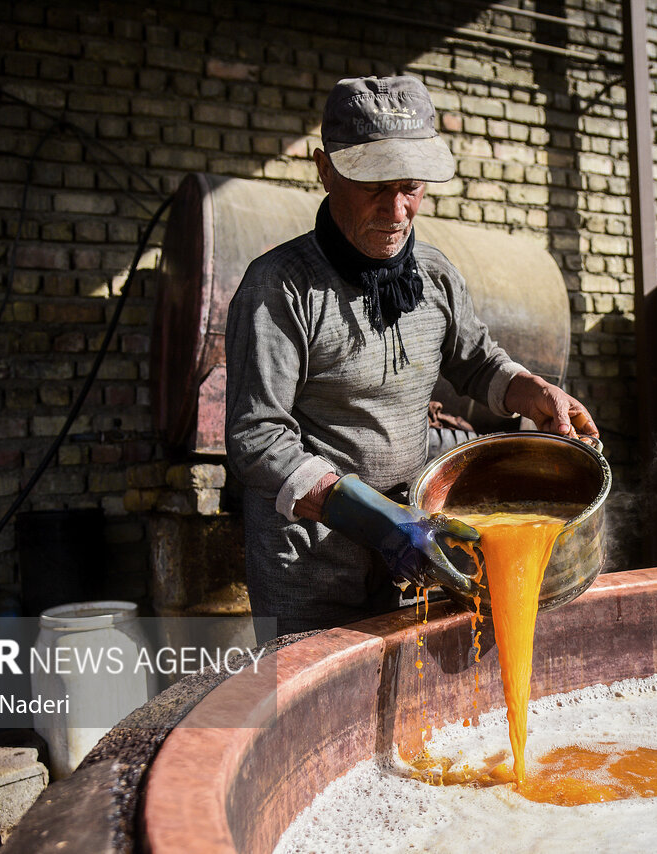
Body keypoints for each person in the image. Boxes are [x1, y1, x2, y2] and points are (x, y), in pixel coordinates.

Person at [225, 75, 599, 637]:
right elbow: (258, 440)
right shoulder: (280, 287)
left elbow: (475, 360)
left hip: (415, 556)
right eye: (373, 185)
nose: (397, 211)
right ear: (325, 170)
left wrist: (535, 391)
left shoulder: (434, 275)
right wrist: (379, 522)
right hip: (312, 568)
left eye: (411, 187)